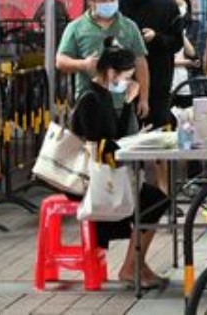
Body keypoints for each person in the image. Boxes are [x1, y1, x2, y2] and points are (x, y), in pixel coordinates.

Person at [69, 38, 169, 289]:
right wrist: (133, 142)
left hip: (109, 174)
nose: (127, 81)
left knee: (155, 199)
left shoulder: (103, 96)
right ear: (111, 72)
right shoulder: (91, 99)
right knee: (155, 200)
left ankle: (136, 264)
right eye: (126, 76)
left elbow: (118, 135)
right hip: (94, 180)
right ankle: (131, 266)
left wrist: (127, 103)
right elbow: (101, 146)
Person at [56, 0, 150, 122]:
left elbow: (140, 62)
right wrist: (84, 65)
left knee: (125, 143)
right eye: (102, 0)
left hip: (123, 104)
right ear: (90, 0)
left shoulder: (129, 26)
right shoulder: (75, 27)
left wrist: (144, 98)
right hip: (88, 104)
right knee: (91, 144)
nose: (109, 3)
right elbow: (60, 61)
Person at [120, 0, 183, 130]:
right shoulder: (123, 6)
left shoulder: (168, 5)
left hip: (159, 78)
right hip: (129, 79)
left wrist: (156, 37)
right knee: (129, 129)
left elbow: (178, 42)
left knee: (158, 127)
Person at [166, 0, 200, 96]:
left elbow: (194, 55)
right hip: (167, 79)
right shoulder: (163, 26)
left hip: (187, 81)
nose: (176, 9)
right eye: (172, 5)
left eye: (179, 5)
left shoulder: (194, 25)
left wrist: (179, 30)